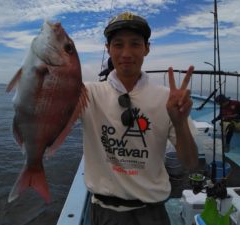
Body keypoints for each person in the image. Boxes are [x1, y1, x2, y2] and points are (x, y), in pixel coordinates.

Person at [81, 11, 198, 225]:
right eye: (118, 45)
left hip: (152, 212)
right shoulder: (87, 94)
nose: (126, 53)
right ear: (108, 49)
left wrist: (180, 122)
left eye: (135, 44)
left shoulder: (166, 99)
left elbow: (190, 162)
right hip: (106, 211)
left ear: (147, 48)